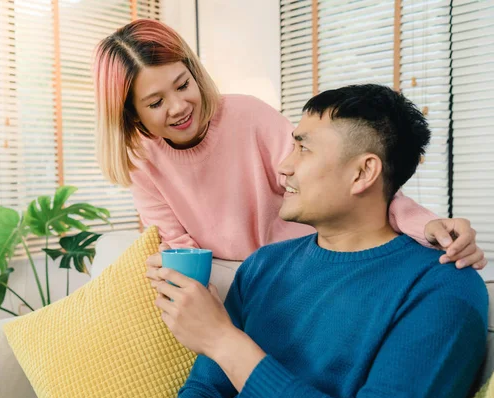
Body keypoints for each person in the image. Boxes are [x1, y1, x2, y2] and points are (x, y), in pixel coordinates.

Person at [153, 84, 489, 398]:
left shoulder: (443, 289)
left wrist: (222, 340)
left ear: (362, 173)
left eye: (303, 148)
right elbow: (204, 389)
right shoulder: (263, 266)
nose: (284, 166)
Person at [91, 19, 487, 275]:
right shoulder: (141, 161)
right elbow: (179, 248)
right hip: (234, 281)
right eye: (156, 103)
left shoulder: (248, 115)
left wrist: (427, 224)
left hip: (303, 265)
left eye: (182, 84)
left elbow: (346, 183)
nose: (179, 107)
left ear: (194, 72)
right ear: (130, 116)